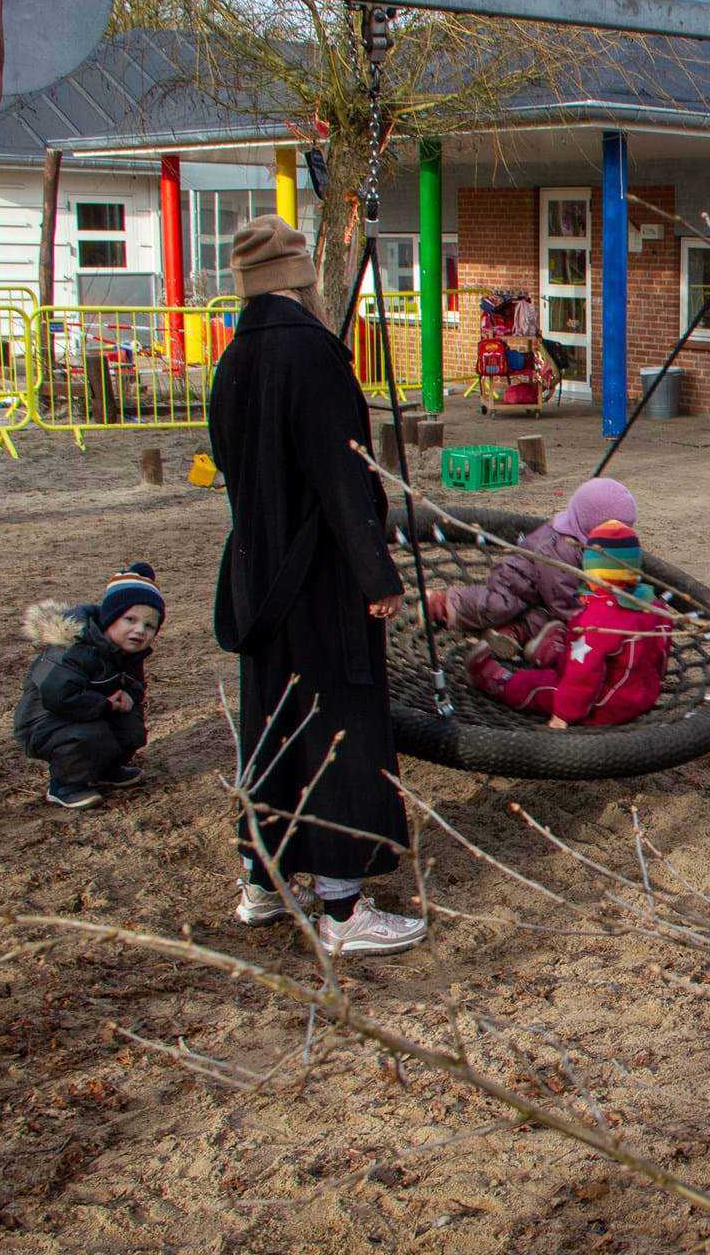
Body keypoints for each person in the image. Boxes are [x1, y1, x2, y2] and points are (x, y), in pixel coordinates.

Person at [208, 214, 425, 957]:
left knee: (273, 725)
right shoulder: (314, 355)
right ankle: (341, 912)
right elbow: (343, 474)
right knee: (338, 727)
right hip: (322, 578)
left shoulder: (233, 359)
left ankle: (262, 883)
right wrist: (375, 570)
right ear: (300, 284)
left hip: (258, 576)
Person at [468, 520, 672, 728]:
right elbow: (661, 655)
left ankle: (498, 681)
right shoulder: (655, 606)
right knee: (586, 651)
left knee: (537, 686)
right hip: (643, 694)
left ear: (593, 572)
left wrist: (564, 714)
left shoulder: (598, 620)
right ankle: (550, 651)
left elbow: (583, 675)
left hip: (603, 705)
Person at [423, 477, 636, 662]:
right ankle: (443, 604)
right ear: (591, 527)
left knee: (542, 620)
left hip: (541, 597)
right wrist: (579, 618)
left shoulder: (582, 541)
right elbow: (558, 594)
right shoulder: (559, 548)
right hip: (515, 582)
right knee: (498, 606)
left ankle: (510, 634)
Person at [14, 564, 163, 810]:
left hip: (90, 711)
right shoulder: (75, 647)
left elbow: (135, 685)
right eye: (130, 619)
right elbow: (58, 696)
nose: (139, 630)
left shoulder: (128, 653)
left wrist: (128, 696)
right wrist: (105, 703)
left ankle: (105, 770)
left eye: (149, 626)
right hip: (45, 721)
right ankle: (64, 785)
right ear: (110, 618)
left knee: (131, 725)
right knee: (89, 736)